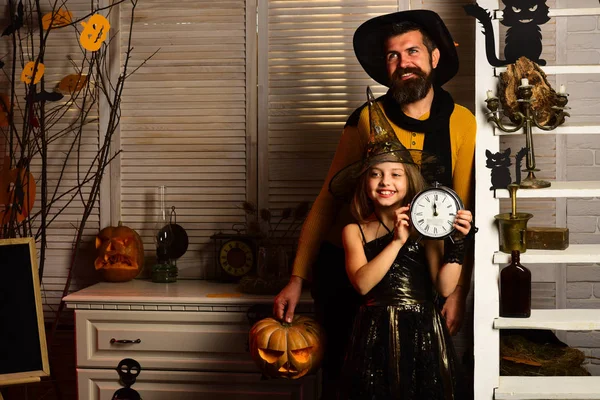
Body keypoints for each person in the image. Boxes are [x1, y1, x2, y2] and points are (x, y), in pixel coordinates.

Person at [273, 9, 476, 397]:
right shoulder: (367, 118)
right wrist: (298, 278)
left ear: (434, 58)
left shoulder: (462, 122)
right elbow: (328, 198)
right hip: (355, 271)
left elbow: (463, 209)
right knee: (348, 380)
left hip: (422, 277)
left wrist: (458, 293)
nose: (403, 63)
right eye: (392, 55)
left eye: (413, 51)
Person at [332, 93, 472, 399]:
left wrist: (457, 244)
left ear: (409, 181)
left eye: (395, 174)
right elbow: (362, 283)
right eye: (376, 174)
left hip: (423, 331)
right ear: (365, 183)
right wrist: (397, 240)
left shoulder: (426, 230)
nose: (385, 181)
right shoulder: (354, 231)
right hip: (374, 334)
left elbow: (445, 288)